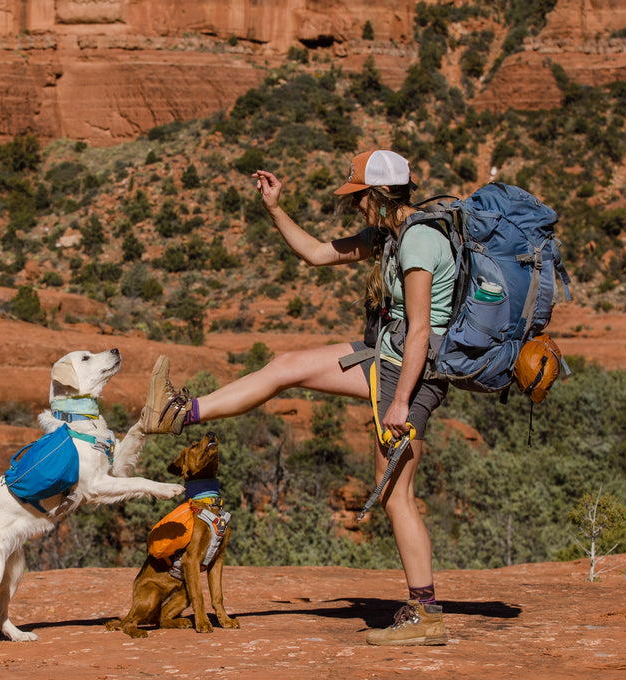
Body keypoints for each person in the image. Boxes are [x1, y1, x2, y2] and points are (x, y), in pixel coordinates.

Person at [141, 149, 456, 646]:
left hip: (408, 374)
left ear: (378, 195)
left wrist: (401, 404)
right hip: (385, 359)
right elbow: (316, 253)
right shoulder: (391, 236)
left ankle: (426, 613)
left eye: (358, 199)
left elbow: (420, 333)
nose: (354, 209)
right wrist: (274, 207)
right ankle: (178, 414)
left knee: (396, 493)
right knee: (284, 366)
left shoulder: (419, 241)